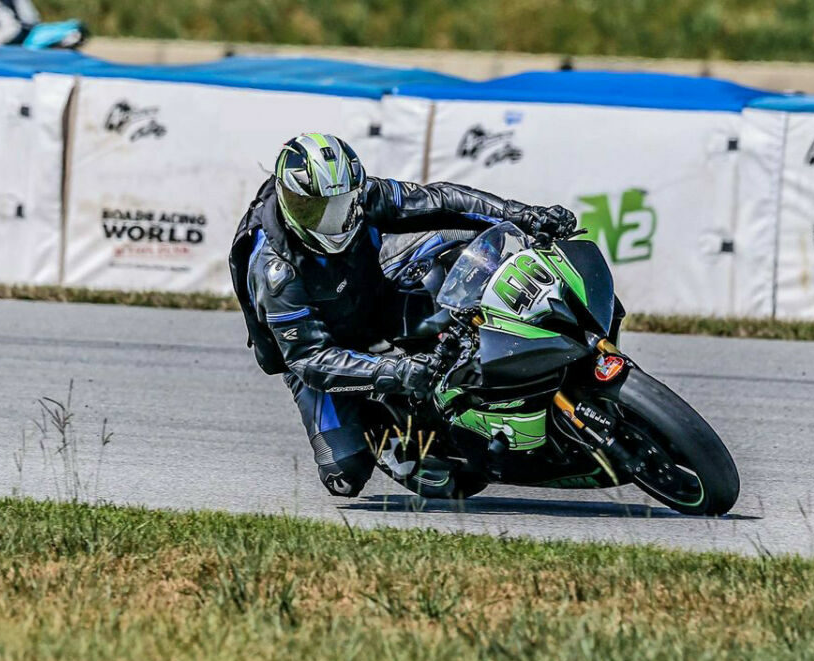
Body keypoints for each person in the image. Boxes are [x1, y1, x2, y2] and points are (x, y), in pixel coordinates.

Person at [228, 133, 577, 498]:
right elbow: (311, 360)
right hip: (318, 349)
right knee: (344, 475)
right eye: (311, 209)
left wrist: (521, 215)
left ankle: (526, 358)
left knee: (459, 248)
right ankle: (387, 430)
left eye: (340, 204)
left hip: (371, 294)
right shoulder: (275, 271)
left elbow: (438, 199)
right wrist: (397, 372)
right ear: (287, 200)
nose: (328, 220)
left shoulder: (363, 199)